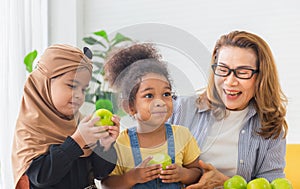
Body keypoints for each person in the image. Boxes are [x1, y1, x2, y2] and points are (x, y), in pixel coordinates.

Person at [168, 30, 288, 188]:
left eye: (242, 73)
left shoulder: (270, 126)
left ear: (261, 77)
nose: (230, 82)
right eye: (223, 70)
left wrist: (226, 183)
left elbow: (273, 183)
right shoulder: (181, 109)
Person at [11, 44, 120, 189]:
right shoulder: (31, 130)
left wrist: (105, 146)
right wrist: (77, 141)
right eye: (72, 86)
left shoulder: (80, 124)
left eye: (83, 89)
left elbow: (100, 173)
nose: (79, 95)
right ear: (45, 84)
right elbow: (41, 177)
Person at [101, 43, 203, 189]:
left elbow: (197, 172)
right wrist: (132, 177)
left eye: (166, 94)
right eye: (149, 95)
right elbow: (107, 185)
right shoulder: (121, 143)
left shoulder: (183, 136)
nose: (160, 102)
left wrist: (183, 174)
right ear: (129, 107)